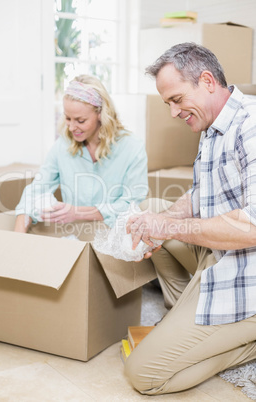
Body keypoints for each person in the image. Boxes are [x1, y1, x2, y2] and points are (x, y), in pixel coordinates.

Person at [125, 42, 256, 395]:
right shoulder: (211, 125)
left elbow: (254, 226)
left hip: (250, 275)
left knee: (144, 374)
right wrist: (157, 220)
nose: (172, 111)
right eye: (167, 102)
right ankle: (189, 321)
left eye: (177, 99)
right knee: (153, 213)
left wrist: (166, 225)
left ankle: (242, 340)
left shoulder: (251, 127)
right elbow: (201, 197)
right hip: (221, 255)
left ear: (208, 81)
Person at [14, 75, 148, 232]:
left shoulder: (132, 147)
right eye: (68, 118)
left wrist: (78, 213)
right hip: (76, 237)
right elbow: (35, 191)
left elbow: (132, 204)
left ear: (100, 114)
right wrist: (18, 238)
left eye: (80, 120)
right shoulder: (62, 145)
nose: (71, 127)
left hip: (116, 236)